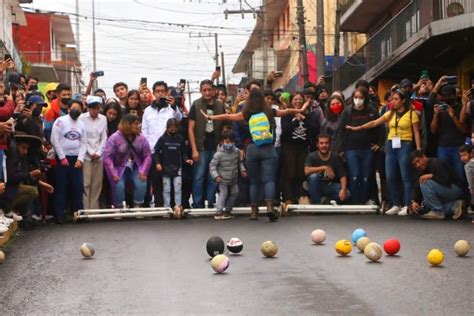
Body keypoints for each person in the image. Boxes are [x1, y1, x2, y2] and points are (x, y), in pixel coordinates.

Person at [202, 89, 309, 221]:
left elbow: (228, 117)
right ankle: (270, 207)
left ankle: (254, 212)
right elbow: (286, 112)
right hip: (268, 148)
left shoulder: (246, 113)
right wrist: (301, 108)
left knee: (254, 181)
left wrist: (211, 117)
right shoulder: (270, 111)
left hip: (252, 148)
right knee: (269, 179)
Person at [346, 90, 421, 216]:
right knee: (390, 176)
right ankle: (396, 204)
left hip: (405, 143)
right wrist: (358, 128)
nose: (393, 101)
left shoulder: (412, 114)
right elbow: (375, 122)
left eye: (396, 99)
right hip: (391, 144)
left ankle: (407, 205)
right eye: (392, 99)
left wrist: (418, 148)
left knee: (405, 176)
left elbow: (417, 132)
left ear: (403, 100)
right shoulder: (390, 113)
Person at [338, 87, 383, 204]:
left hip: (367, 148)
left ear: (365, 98)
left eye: (361, 98)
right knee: (354, 175)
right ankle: (354, 202)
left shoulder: (372, 110)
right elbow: (340, 131)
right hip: (351, 149)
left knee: (366, 176)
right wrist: (340, 149)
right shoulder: (347, 111)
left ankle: (364, 201)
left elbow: (380, 128)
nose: (358, 100)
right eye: (355, 97)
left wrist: (379, 144)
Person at [142, 81, 182, 207]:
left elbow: (179, 119)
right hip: (153, 152)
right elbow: (144, 130)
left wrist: (175, 106)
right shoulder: (148, 110)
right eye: (157, 91)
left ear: (166, 93)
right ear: (153, 93)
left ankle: (173, 206)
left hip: (170, 151)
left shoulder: (172, 109)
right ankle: (159, 207)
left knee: (171, 181)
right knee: (156, 181)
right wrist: (149, 149)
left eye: (162, 91)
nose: (160, 93)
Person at [2, 134, 53, 229]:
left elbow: (25, 175)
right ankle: (6, 209)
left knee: (31, 189)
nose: (25, 152)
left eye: (27, 149)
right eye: (23, 148)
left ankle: (10, 210)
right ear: (17, 145)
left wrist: (44, 184)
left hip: (11, 187)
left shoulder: (21, 158)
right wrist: (30, 174)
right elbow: (12, 176)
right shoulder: (13, 156)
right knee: (32, 191)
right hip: (7, 188)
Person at [188, 79, 225, 209]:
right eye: (204, 90)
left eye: (210, 89)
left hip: (216, 147)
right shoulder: (196, 104)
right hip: (201, 147)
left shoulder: (220, 105)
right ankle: (197, 204)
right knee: (199, 176)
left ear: (214, 90)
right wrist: (194, 150)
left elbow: (225, 125)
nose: (207, 92)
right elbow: (190, 128)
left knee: (213, 176)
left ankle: (210, 203)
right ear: (200, 91)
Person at [50, 98, 87, 223]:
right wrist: (62, 157)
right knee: (61, 187)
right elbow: (54, 139)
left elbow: (84, 142)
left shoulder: (81, 124)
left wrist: (80, 159)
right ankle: (59, 215)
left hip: (76, 159)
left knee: (78, 186)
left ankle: (78, 214)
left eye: (79, 109)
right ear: (69, 108)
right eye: (74, 108)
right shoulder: (60, 121)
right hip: (63, 159)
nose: (76, 110)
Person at [103, 114, 151, 208]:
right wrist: (113, 173)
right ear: (127, 125)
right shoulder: (114, 138)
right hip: (118, 167)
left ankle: (138, 205)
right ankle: (119, 206)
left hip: (136, 166)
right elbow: (107, 157)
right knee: (119, 185)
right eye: (136, 124)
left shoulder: (141, 138)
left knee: (141, 182)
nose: (138, 126)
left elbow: (147, 155)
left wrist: (144, 171)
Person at [280, 92, 319, 205]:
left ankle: (300, 196)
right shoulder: (287, 114)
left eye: (300, 100)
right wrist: (296, 120)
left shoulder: (309, 114)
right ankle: (288, 198)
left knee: (301, 173)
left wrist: (303, 118)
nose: (298, 102)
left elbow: (314, 129)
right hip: (289, 147)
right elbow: (285, 130)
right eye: (295, 100)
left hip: (303, 147)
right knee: (289, 173)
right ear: (291, 102)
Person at [154, 118, 192, 218]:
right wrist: (157, 163)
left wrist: (186, 159)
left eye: (175, 129)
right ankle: (167, 208)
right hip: (165, 168)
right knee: (166, 189)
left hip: (177, 168)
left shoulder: (180, 138)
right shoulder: (162, 139)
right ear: (167, 128)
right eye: (171, 129)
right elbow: (156, 152)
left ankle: (177, 207)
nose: (173, 131)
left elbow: (184, 152)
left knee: (178, 188)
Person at [410, 150, 464, 220]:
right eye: (415, 164)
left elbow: (447, 181)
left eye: (418, 161)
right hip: (447, 191)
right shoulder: (421, 169)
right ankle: (454, 206)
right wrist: (413, 201)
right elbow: (416, 187)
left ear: (423, 156)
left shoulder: (436, 163)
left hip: (455, 189)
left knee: (424, 182)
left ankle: (437, 211)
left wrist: (432, 176)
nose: (418, 165)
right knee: (426, 204)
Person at [429, 82, 466, 180]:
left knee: (460, 175)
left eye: (447, 96)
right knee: (444, 174)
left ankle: (460, 194)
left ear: (453, 95)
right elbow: (433, 130)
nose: (445, 98)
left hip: (458, 147)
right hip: (443, 147)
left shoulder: (460, 108)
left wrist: (453, 116)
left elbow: (463, 130)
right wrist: (436, 115)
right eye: (443, 96)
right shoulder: (440, 108)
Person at [209, 131, 246, 220]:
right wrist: (216, 176)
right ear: (222, 142)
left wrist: (242, 170)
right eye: (227, 142)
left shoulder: (236, 151)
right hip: (222, 179)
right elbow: (212, 166)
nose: (229, 144)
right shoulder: (218, 154)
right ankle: (219, 211)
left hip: (233, 178)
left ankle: (228, 210)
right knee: (223, 194)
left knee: (235, 193)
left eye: (231, 142)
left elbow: (239, 163)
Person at [80, 96, 107, 210]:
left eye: (97, 108)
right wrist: (90, 152)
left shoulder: (103, 119)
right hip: (86, 155)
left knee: (97, 184)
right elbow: (82, 137)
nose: (95, 110)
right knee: (86, 183)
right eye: (93, 108)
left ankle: (94, 210)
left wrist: (99, 152)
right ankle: (86, 209)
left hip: (99, 155)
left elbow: (104, 137)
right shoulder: (82, 118)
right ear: (89, 108)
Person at [304, 134, 349, 204]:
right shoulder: (312, 156)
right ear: (317, 145)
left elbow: (342, 175)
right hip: (316, 185)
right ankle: (317, 204)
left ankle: (326, 200)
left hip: (330, 186)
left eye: (326, 143)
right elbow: (306, 171)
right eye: (321, 143)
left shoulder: (335, 158)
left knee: (347, 193)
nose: (324, 145)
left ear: (330, 144)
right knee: (314, 177)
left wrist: (343, 189)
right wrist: (324, 167)